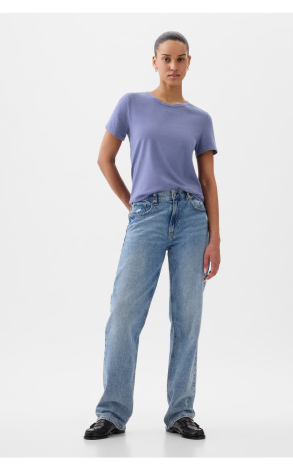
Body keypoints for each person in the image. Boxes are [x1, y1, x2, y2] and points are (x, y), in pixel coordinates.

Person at [84, 31, 221, 441]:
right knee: (124, 314)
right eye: (166, 58)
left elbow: (208, 181)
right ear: (154, 61)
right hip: (147, 215)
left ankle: (181, 413)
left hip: (193, 218)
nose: (173, 66)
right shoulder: (131, 104)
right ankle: (112, 413)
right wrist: (133, 204)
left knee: (187, 317)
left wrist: (215, 238)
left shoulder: (200, 119)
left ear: (189, 62)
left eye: (180, 59)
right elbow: (105, 159)